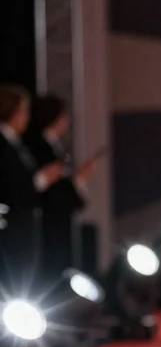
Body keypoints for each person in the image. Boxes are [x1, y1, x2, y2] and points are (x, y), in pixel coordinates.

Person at [24, 93, 100, 279]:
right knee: (51, 271)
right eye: (63, 115)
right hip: (47, 224)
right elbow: (48, 189)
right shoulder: (38, 146)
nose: (67, 120)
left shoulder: (52, 145)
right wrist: (76, 179)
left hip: (58, 223)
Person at [0, 85, 64, 293]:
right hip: (12, 230)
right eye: (24, 110)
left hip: (23, 228)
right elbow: (10, 187)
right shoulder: (3, 144)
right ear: (12, 111)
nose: (27, 117)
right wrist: (41, 180)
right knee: (15, 282)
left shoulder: (14, 142)